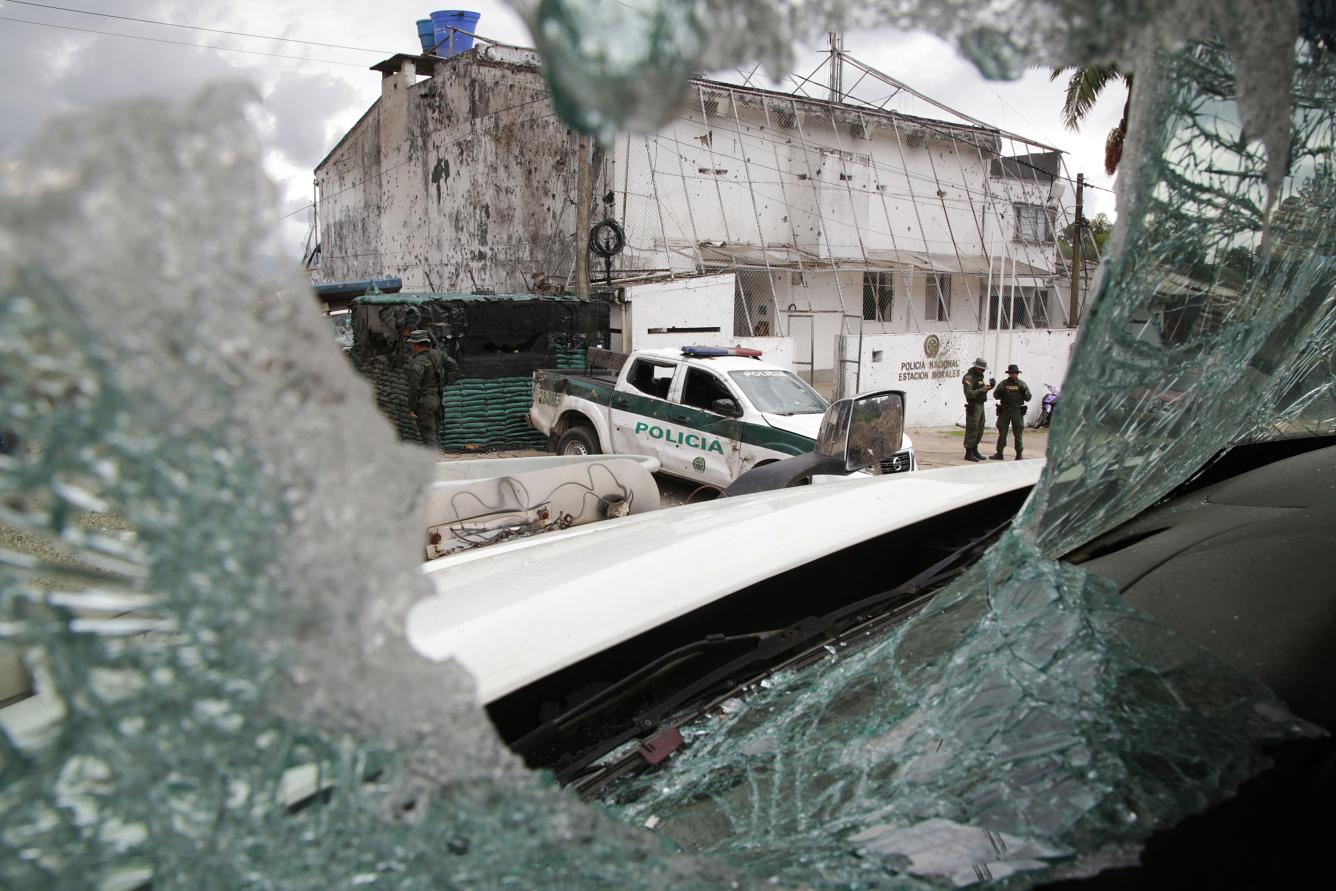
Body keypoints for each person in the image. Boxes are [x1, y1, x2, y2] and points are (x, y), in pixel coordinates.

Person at [405, 329, 458, 451]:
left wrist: (412, 407)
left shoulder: (417, 362)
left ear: (416, 344)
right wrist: (444, 381)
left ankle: (437, 463)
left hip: (424, 403)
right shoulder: (438, 354)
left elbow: (414, 386)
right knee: (435, 431)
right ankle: (441, 458)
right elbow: (453, 365)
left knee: (428, 433)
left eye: (412, 344)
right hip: (436, 398)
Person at [990, 363, 1032, 460]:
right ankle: (999, 453)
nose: (1013, 375)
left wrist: (1024, 391)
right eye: (1011, 373)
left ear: (1017, 373)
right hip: (1005, 410)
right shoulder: (1003, 384)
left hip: (1017, 411)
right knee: (1002, 433)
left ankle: (1019, 454)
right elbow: (995, 395)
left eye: (1015, 373)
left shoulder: (1022, 384)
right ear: (1008, 373)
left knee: (1018, 434)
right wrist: (1002, 392)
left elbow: (1028, 398)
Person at [961, 357, 994, 462]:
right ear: (976, 367)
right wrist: (981, 390)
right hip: (973, 406)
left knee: (980, 429)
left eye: (983, 369)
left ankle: (975, 449)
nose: (982, 370)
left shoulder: (980, 377)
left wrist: (989, 388)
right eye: (980, 368)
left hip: (980, 405)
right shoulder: (969, 377)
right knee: (972, 429)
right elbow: (969, 394)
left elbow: (981, 391)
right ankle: (968, 452)